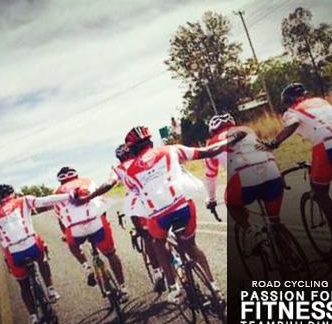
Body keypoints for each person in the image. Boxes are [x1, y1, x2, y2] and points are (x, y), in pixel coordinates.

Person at [76, 126, 245, 303]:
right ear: (150, 142)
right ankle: (214, 287)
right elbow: (208, 151)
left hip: (159, 216)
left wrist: (89, 197)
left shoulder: (128, 170)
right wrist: (232, 139)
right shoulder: (171, 149)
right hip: (183, 206)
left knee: (158, 243)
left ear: (132, 149)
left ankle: (173, 288)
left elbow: (119, 189)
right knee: (191, 246)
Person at [265, 83, 332, 256]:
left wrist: (274, 143)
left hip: (327, 143)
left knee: (320, 191)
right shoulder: (319, 101)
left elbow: (292, 124)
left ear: (287, 101)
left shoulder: (291, 111)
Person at [0, 184, 70, 324]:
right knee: (43, 259)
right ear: (13, 194)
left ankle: (34, 319)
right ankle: (51, 291)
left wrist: (7, 259)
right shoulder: (23, 200)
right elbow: (46, 200)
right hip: (32, 246)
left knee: (23, 284)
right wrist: (70, 195)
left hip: (14, 254)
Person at [204, 113, 284, 254]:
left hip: (244, 179)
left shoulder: (212, 144)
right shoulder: (247, 130)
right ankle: (290, 260)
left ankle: (250, 230)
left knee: (230, 203)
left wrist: (211, 200)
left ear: (212, 131)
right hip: (272, 172)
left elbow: (210, 177)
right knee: (275, 223)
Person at [54, 166, 129, 301]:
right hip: (96, 222)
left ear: (60, 181)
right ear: (76, 176)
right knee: (111, 254)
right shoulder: (87, 181)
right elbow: (100, 202)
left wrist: (65, 235)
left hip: (75, 230)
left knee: (72, 243)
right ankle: (123, 288)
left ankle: (86, 267)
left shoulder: (56, 192)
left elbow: (61, 218)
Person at [113, 144, 165, 292]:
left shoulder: (119, 168)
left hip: (140, 205)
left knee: (146, 236)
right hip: (161, 195)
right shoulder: (142, 160)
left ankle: (157, 273)